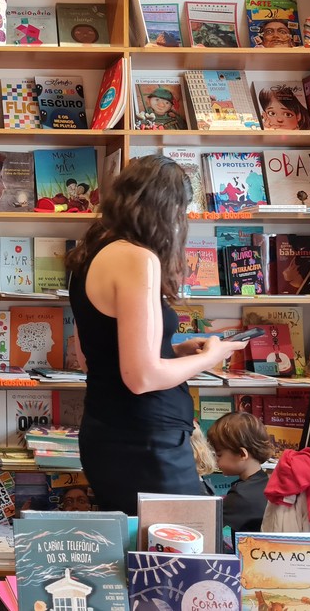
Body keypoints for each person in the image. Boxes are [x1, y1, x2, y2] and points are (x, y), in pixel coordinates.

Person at [66, 155, 247, 515]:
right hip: (147, 443)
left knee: (140, 558)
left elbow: (92, 354)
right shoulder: (138, 258)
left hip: (108, 429)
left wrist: (176, 350)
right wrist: (209, 357)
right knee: (186, 558)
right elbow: (142, 377)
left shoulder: (90, 252)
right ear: (167, 210)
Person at [206, 411, 275, 539]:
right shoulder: (265, 482)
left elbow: (205, 525)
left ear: (242, 454)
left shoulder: (242, 495)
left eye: (219, 455)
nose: (216, 460)